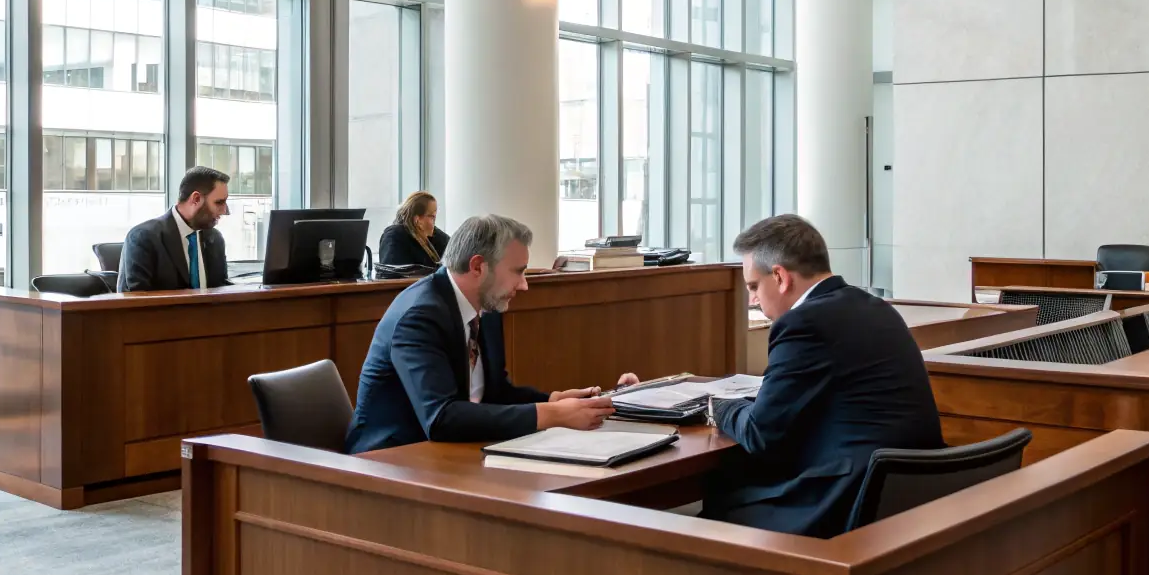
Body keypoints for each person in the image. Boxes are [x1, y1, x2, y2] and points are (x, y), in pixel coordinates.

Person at [703, 214, 943, 537]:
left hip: (849, 505)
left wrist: (718, 407)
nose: (753, 300)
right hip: (907, 499)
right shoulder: (876, 307)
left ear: (780, 277)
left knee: (711, 510)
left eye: (754, 286)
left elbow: (761, 434)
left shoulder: (803, 324)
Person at [346, 213, 637, 453]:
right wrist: (552, 416)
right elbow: (441, 418)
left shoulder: (487, 307)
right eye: (518, 271)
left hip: (454, 455)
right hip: (390, 463)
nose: (524, 285)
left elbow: (495, 393)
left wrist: (553, 400)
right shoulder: (420, 315)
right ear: (477, 267)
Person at [117, 166, 233, 292]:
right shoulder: (143, 238)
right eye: (219, 202)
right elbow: (138, 301)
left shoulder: (215, 239)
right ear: (196, 199)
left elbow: (221, 291)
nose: (225, 211)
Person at [378, 191, 450, 269]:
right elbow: (392, 274)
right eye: (432, 216)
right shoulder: (394, 236)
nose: (434, 221)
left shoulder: (437, 237)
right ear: (417, 220)